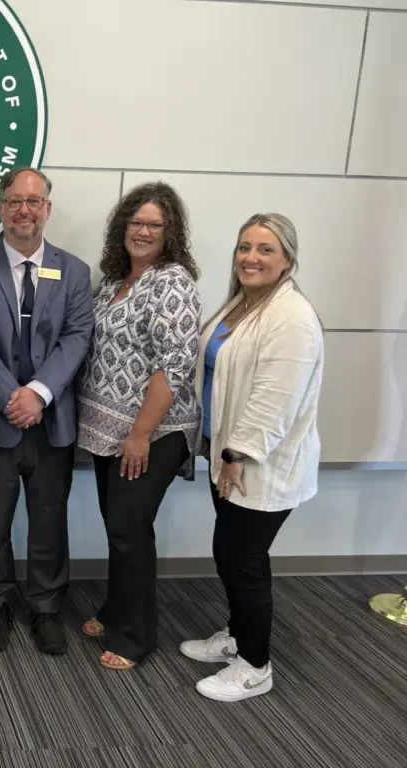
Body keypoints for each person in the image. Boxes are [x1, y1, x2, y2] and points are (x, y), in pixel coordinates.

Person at [182, 213, 323, 702]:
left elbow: (275, 399)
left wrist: (236, 453)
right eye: (245, 247)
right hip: (226, 456)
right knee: (235, 555)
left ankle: (255, 666)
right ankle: (238, 637)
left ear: (288, 259)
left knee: (241, 560)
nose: (251, 257)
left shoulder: (292, 318)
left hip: (256, 464)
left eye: (265, 249)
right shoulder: (242, 303)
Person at [0, 167, 94, 655]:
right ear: (1, 208)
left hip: (51, 421)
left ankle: (45, 606)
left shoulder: (74, 271)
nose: (24, 210)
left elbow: (76, 337)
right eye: (15, 201)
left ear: (47, 209)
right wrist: (9, 395)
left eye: (33, 201)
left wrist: (37, 393)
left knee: (48, 522)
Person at [76, 182, 201, 671]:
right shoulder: (113, 280)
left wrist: (141, 434)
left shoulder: (173, 282)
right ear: (122, 226)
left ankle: (135, 637)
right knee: (119, 526)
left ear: (170, 232)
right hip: (108, 431)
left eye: (155, 224)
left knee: (130, 529)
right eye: (136, 222)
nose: (143, 231)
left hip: (153, 432)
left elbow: (174, 366)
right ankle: (116, 609)